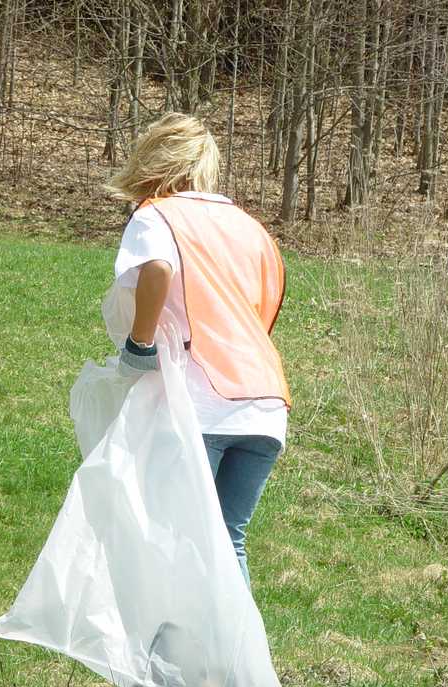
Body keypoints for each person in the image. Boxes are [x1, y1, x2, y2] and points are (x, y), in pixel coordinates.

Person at [104, 112, 291, 588]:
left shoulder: (156, 214)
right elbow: (266, 306)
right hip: (266, 403)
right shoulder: (249, 226)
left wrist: (139, 345)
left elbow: (158, 270)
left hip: (202, 403)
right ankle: (234, 660)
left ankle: (171, 657)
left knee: (174, 537)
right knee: (229, 541)